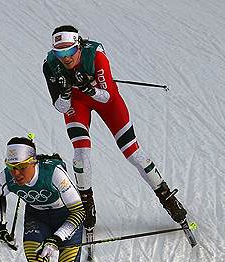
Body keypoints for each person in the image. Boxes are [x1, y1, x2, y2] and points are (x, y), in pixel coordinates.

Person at [42, 24, 189, 231]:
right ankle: (85, 205)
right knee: (81, 153)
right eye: (60, 53)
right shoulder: (50, 64)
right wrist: (65, 92)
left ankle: (167, 198)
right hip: (77, 103)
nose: (65, 58)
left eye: (69, 51)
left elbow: (107, 96)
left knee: (133, 152)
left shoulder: (96, 56)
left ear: (79, 46)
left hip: (105, 100)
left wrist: (87, 88)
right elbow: (60, 106)